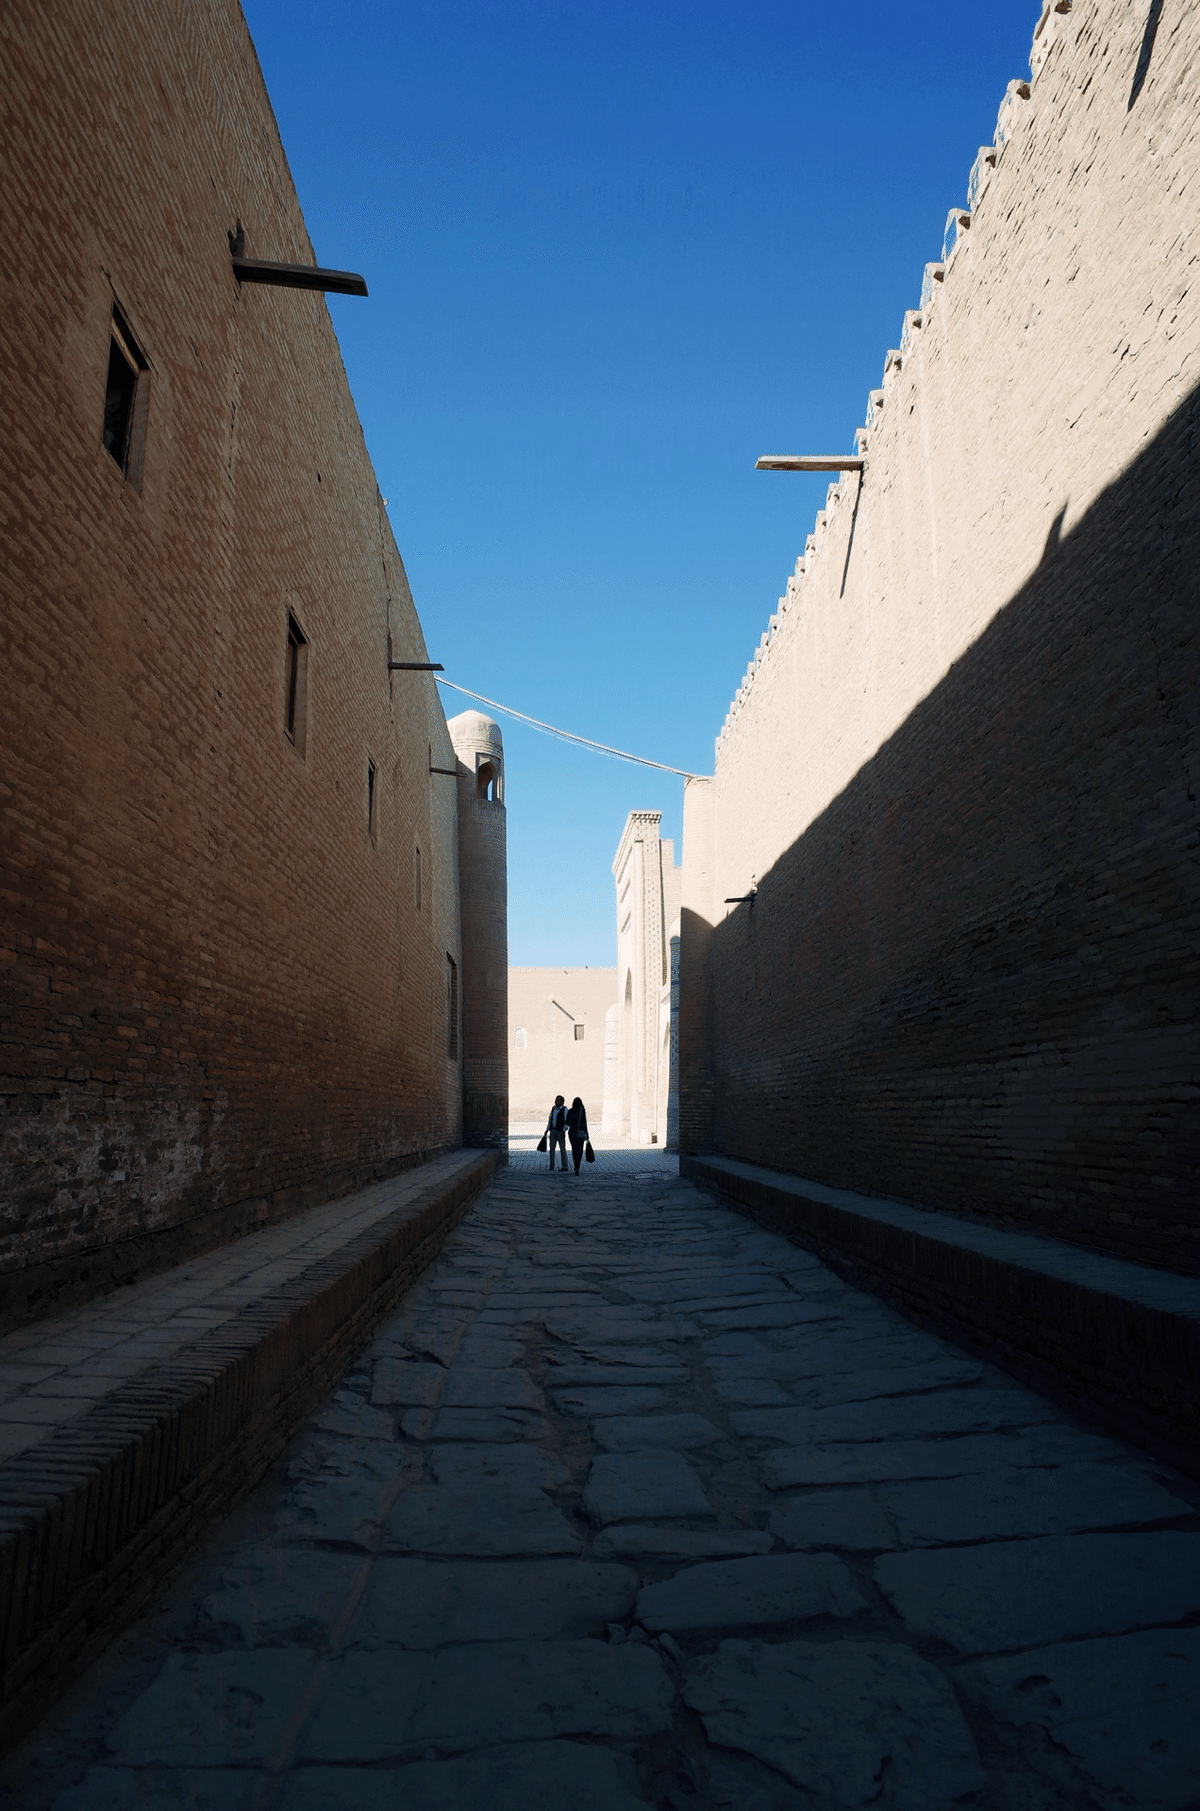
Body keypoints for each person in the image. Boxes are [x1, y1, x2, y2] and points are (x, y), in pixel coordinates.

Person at [566, 1096, 590, 1174]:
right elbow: (584, 1123)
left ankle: (575, 1164)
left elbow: (567, 1122)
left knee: (574, 1149)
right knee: (579, 1150)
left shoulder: (570, 1111)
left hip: (572, 1133)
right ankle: (577, 1166)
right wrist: (587, 1135)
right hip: (581, 1133)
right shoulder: (582, 1111)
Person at [545, 1095, 568, 1171]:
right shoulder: (553, 1109)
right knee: (552, 1149)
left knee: (562, 1149)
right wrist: (547, 1129)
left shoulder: (564, 1110)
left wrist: (563, 1130)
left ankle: (565, 1165)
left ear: (562, 1102)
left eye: (558, 1100)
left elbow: (566, 1122)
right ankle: (552, 1165)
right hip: (553, 1131)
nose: (556, 1101)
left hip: (560, 1132)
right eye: (556, 1100)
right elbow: (550, 1119)